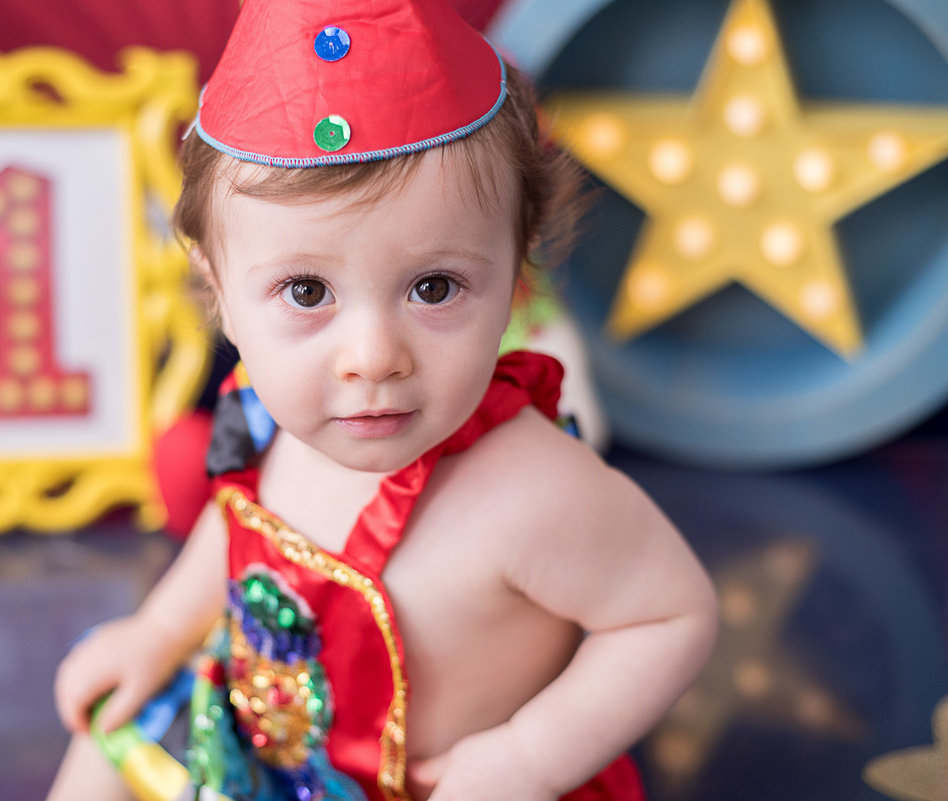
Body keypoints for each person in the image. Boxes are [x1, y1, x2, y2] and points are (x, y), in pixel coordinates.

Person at [48, 0, 718, 799]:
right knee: (109, 737)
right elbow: (237, 527)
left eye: (434, 287)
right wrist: (160, 630)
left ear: (516, 271)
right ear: (217, 287)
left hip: (451, 784)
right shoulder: (266, 422)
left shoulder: (538, 493)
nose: (372, 358)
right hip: (265, 753)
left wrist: (528, 756)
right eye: (306, 289)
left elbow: (671, 616)